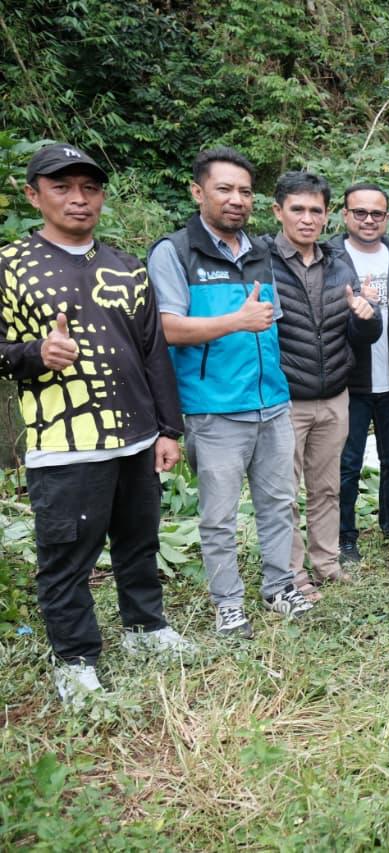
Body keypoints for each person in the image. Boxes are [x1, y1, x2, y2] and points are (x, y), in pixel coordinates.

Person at [0, 143, 194, 706]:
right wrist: (35, 353)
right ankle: (76, 660)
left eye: (89, 187)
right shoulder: (10, 266)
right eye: (62, 187)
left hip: (135, 437)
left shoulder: (126, 266)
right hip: (65, 443)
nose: (78, 199)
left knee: (139, 540)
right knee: (67, 558)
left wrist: (168, 429)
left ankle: (145, 628)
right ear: (34, 195)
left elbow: (153, 351)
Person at [149, 147, 311, 637]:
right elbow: (166, 328)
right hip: (214, 410)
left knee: (279, 503)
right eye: (224, 189)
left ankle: (280, 586)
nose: (236, 199)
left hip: (271, 403)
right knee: (218, 516)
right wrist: (234, 322)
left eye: (244, 191)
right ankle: (228, 603)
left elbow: (273, 325)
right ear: (198, 192)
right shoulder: (175, 252)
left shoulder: (260, 251)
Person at [269, 171, 381, 598]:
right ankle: (291, 572)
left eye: (316, 210)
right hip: (287, 398)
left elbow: (362, 333)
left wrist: (365, 317)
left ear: (327, 215)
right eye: (297, 209)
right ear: (278, 211)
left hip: (335, 393)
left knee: (327, 486)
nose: (307, 218)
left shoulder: (338, 262)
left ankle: (326, 561)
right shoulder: (264, 260)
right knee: (284, 492)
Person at [330, 183, 389, 566]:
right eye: (360, 212)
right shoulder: (331, 259)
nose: (368, 219)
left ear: (387, 218)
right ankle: (344, 535)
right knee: (346, 464)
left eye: (376, 213)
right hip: (349, 379)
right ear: (345, 215)